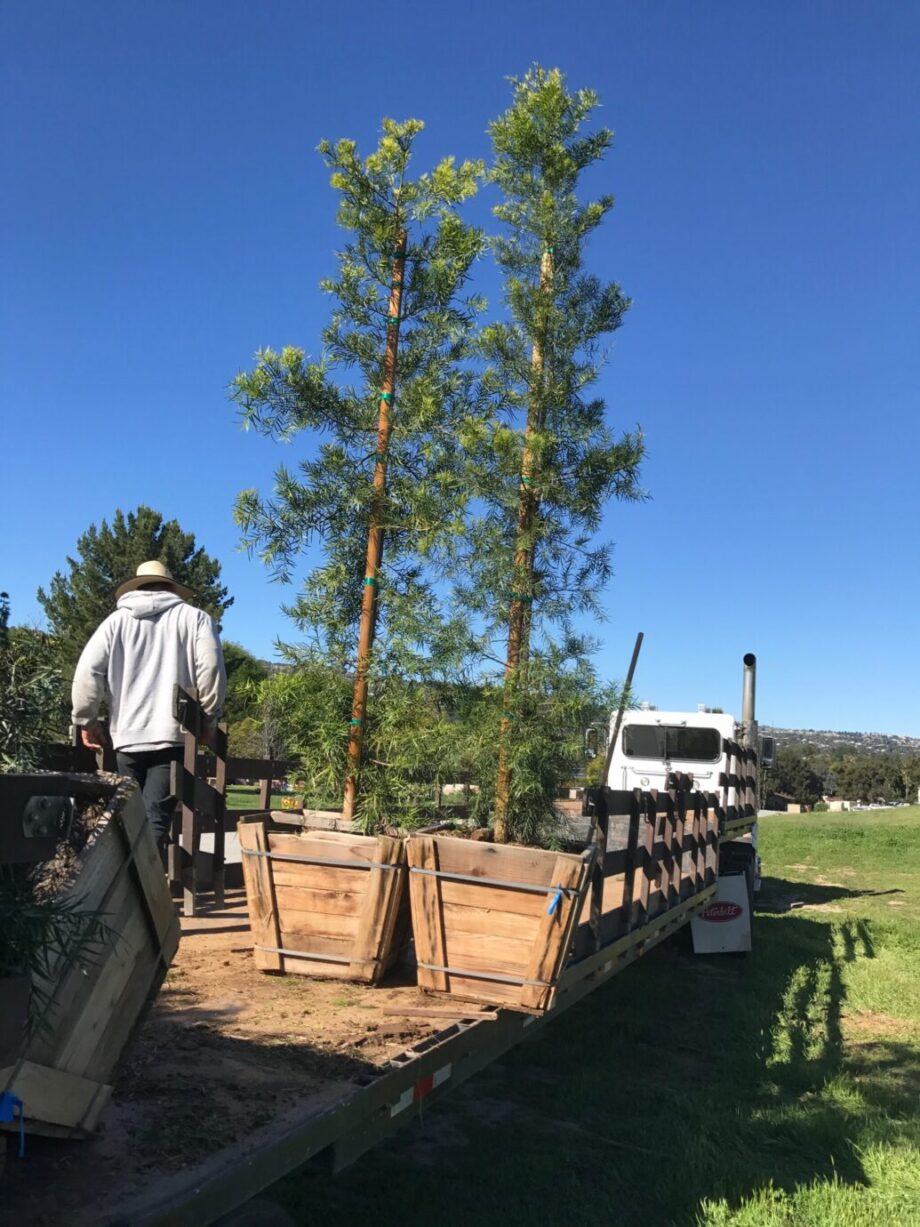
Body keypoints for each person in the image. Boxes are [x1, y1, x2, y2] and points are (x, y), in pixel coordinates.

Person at [71, 560, 226, 847]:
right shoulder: (194, 619)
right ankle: (146, 890)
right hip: (172, 735)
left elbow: (87, 671)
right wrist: (209, 718)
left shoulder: (114, 623)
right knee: (155, 817)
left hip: (126, 737)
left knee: (129, 818)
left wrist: (87, 720)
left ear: (138, 587)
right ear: (170, 586)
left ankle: (128, 888)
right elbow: (211, 669)